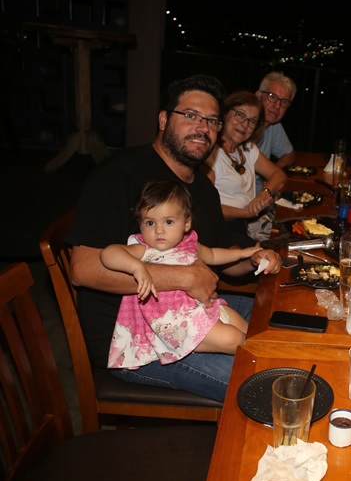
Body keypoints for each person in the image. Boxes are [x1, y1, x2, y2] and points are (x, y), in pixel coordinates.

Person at [66, 74, 281, 402]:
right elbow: (83, 269)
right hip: (134, 341)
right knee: (270, 387)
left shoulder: (202, 188)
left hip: (194, 309)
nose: (202, 128)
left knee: (283, 325)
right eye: (191, 115)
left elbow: (218, 256)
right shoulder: (118, 175)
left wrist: (253, 258)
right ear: (164, 120)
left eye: (211, 121)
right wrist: (185, 277)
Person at [104, 180, 261, 368]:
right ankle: (263, 364)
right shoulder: (144, 249)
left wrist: (243, 253)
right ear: (140, 224)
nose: (159, 230)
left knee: (248, 329)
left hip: (202, 307)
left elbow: (213, 254)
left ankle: (269, 357)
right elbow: (108, 254)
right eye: (150, 223)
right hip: (174, 323)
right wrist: (137, 267)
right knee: (233, 339)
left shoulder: (189, 242)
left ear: (186, 224)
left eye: (169, 222)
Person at [204, 90, 287, 244]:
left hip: (244, 226)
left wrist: (264, 193)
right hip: (219, 229)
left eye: (252, 121)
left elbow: (279, 175)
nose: (245, 124)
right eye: (240, 115)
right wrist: (248, 212)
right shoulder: (209, 153)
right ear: (224, 114)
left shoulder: (247, 149)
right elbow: (207, 208)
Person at [255, 71, 296, 190]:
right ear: (258, 96)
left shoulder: (274, 125)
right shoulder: (242, 126)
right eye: (272, 96)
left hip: (260, 193)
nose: (277, 106)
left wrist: (272, 173)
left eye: (284, 102)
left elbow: (289, 155)